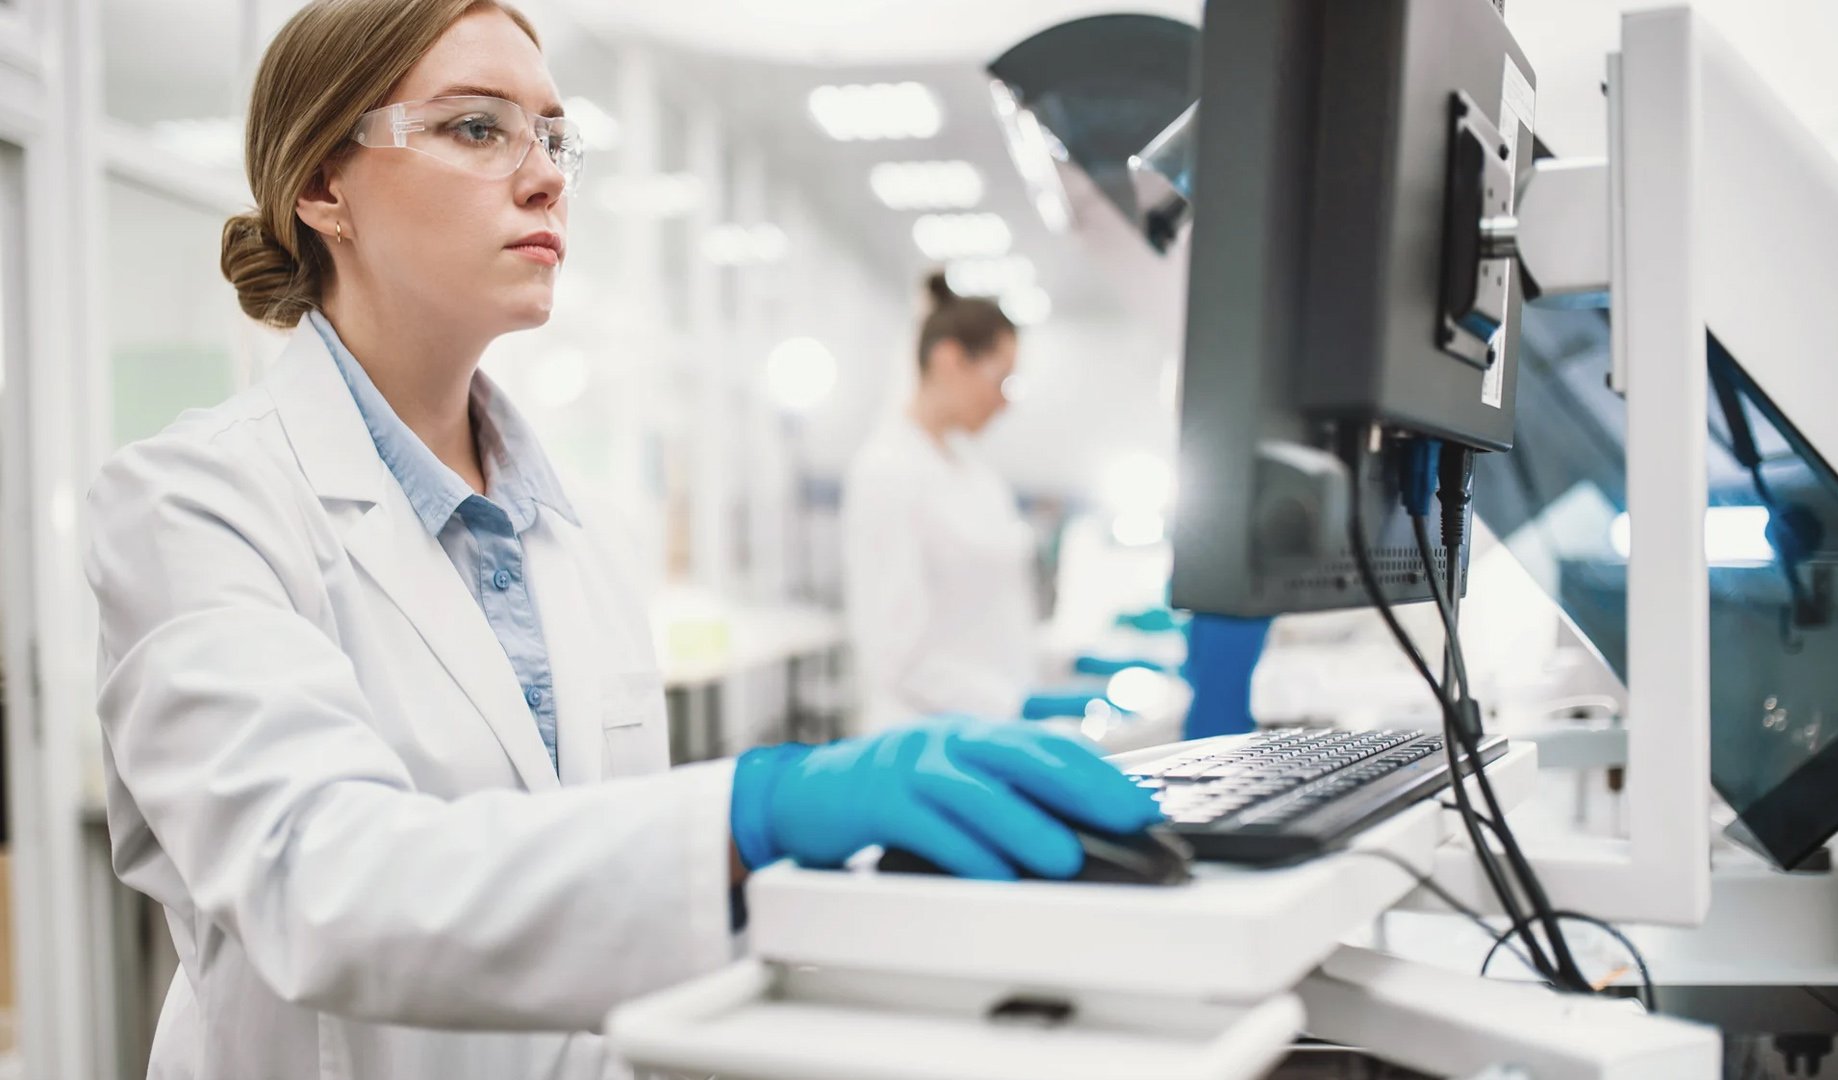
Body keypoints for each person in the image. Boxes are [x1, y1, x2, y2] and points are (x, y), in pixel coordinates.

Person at [83, 3, 1160, 1078]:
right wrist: (752, 810)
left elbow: (601, 906)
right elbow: (317, 882)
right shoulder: (195, 502)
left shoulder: (578, 526)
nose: (546, 179)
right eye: (476, 127)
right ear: (325, 186)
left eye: (554, 138)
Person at [842, 274, 1071, 731]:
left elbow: (995, 622)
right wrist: (1018, 704)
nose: (1004, 403)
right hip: (929, 739)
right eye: (1000, 381)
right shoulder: (887, 473)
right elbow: (897, 658)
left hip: (992, 728)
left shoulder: (975, 476)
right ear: (950, 360)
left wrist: (1067, 665)